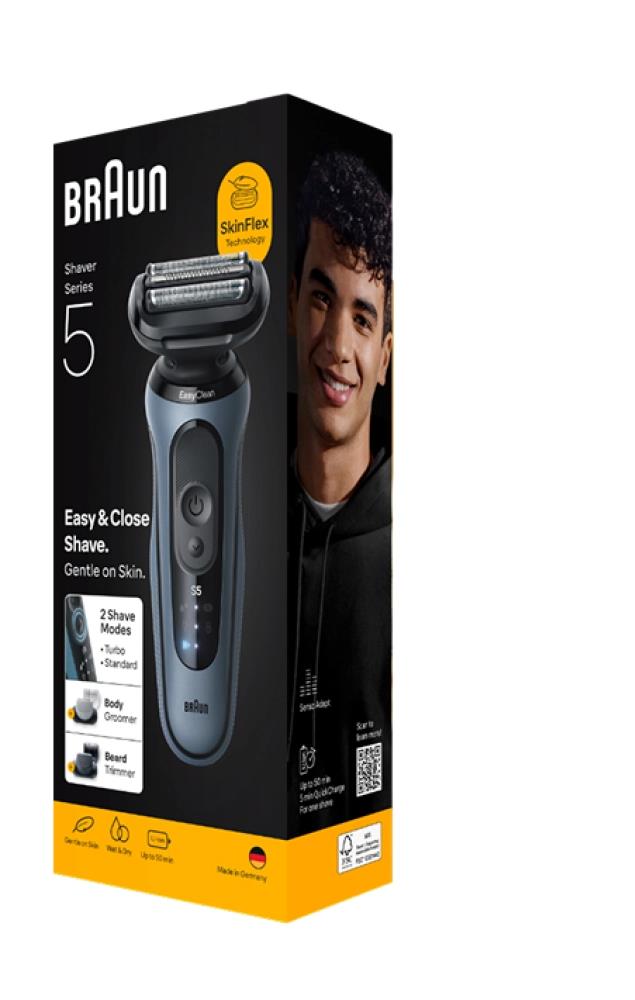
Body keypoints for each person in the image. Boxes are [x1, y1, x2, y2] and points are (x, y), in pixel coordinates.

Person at [288, 150, 392, 834]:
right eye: (323, 299)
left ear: (386, 356)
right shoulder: (240, 518)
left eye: (363, 318)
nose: (337, 345)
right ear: (292, 306)